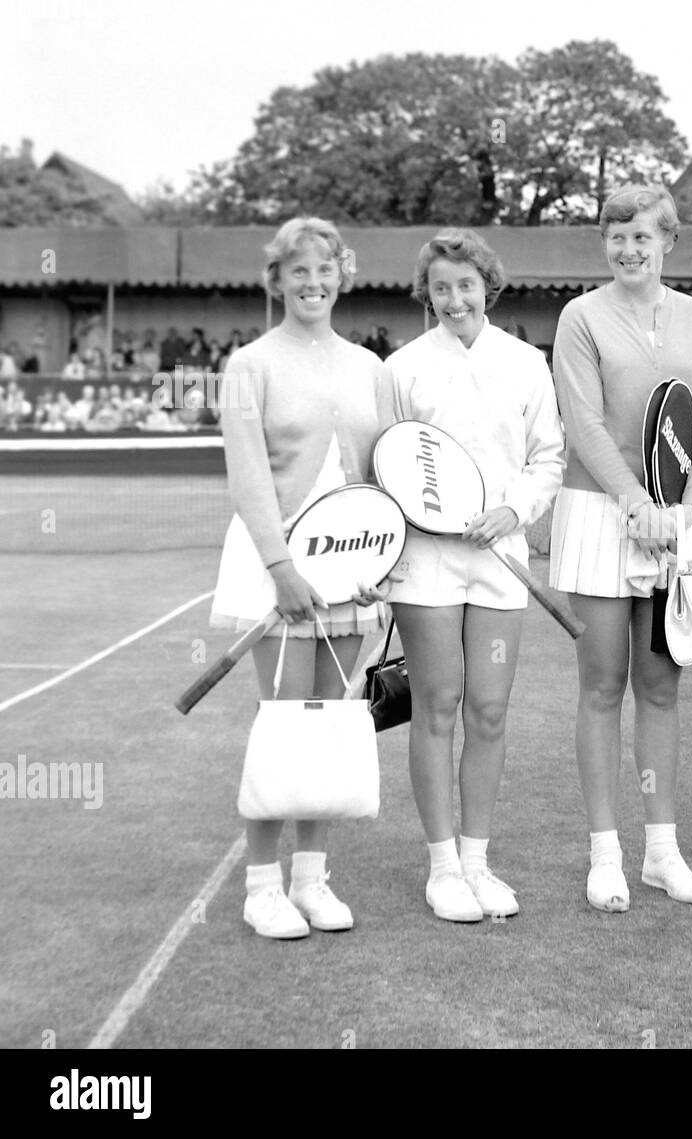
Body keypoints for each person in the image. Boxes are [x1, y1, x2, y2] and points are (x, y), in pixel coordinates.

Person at [209, 217, 389, 940]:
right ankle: (261, 888)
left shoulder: (372, 366)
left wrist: (378, 564)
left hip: (353, 576)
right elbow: (248, 479)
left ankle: (311, 880)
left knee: (334, 726)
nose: (312, 283)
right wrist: (281, 567)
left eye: (325, 269)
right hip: (277, 570)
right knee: (285, 728)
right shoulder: (248, 364)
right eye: (298, 271)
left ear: (342, 274)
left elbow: (377, 477)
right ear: (276, 279)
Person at [549, 185, 692, 912]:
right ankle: (604, 854)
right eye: (615, 235)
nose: (628, 248)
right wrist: (635, 503)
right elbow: (583, 421)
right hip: (599, 515)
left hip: (672, 527)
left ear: (668, 242)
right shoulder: (579, 316)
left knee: (660, 688)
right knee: (600, 687)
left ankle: (660, 852)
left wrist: (683, 512)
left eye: (642, 236)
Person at [382, 229, 564, 922]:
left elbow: (548, 456)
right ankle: (442, 868)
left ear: (487, 286)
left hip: (500, 556)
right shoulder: (401, 368)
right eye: (440, 287)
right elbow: (386, 465)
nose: (454, 299)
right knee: (436, 705)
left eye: (465, 285)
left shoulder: (526, 364)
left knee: (488, 708)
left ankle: (479, 862)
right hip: (424, 562)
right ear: (425, 293)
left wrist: (511, 509)